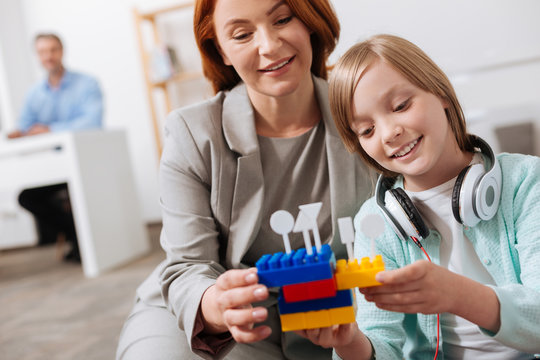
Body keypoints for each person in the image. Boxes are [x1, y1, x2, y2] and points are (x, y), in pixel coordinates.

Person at [115, 0, 373, 359]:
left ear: (311, 20)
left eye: (282, 19)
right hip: (232, 324)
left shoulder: (365, 110)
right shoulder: (193, 133)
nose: (268, 45)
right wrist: (214, 303)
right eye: (242, 34)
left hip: (342, 318)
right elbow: (189, 265)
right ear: (220, 49)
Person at [295, 34, 540, 359]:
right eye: (366, 130)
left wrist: (458, 294)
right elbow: (381, 342)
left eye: (400, 106)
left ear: (440, 93)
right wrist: (349, 341)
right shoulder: (375, 222)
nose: (388, 133)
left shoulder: (525, 181)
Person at [8, 33, 104, 261]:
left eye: (53, 50)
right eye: (42, 52)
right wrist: (18, 132)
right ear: (37, 56)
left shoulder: (87, 84)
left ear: (62, 51)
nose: (48, 56)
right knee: (26, 197)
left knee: (79, 192)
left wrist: (51, 129)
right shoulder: (34, 94)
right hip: (57, 166)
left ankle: (83, 242)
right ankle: (77, 236)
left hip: (86, 163)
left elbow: (92, 122)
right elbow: (25, 124)